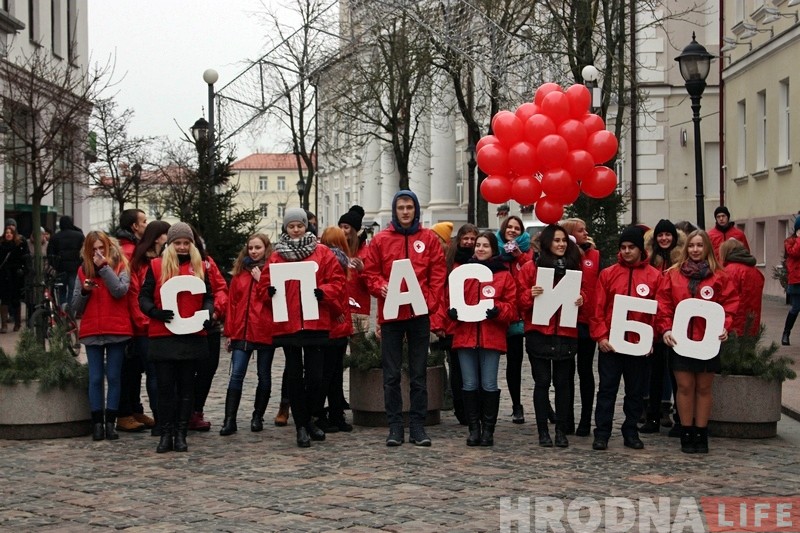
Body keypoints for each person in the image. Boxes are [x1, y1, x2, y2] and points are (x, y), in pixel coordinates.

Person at [363, 190, 447, 447]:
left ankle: (418, 426)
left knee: (418, 374)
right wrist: (380, 286)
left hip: (419, 315)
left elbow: (437, 274)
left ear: (416, 209)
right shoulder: (381, 240)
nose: (405, 212)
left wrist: (429, 303)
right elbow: (370, 273)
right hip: (392, 315)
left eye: (409, 207)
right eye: (401, 207)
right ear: (395, 210)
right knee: (391, 375)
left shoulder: (428, 239)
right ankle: (395, 427)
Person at [258, 208, 346, 448]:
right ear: (285, 228)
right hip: (288, 325)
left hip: (315, 322)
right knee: (295, 376)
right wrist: (269, 293)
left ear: (306, 226)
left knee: (316, 377)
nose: (296, 230)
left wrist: (324, 292)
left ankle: (310, 418)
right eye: (291, 226)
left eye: (299, 225)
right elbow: (263, 287)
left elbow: (337, 281)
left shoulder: (322, 252)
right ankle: (301, 426)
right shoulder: (277, 256)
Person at [656, 229, 738, 454]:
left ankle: (701, 433)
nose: (695, 249)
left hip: (707, 342)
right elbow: (664, 304)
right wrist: (666, 329)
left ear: (707, 248)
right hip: (680, 341)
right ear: (686, 248)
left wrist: (725, 326)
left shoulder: (719, 276)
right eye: (691, 245)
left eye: (700, 245)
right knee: (684, 387)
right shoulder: (673, 275)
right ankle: (686, 432)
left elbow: (730, 304)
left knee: (703, 387)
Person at [139, 222, 214, 453]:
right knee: (165, 388)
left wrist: (208, 313)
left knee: (186, 388)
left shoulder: (200, 266)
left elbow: (208, 296)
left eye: (186, 243)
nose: (182, 247)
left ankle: (181, 434)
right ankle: (166, 433)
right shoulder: (156, 266)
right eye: (178, 243)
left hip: (190, 335)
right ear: (170, 244)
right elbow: (144, 297)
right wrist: (154, 312)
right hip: (163, 336)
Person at [590, 226, 661, 451]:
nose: (627, 251)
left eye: (631, 247)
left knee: (635, 392)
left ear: (640, 249)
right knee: (607, 390)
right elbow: (597, 308)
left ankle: (631, 431)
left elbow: (658, 312)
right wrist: (601, 337)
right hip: (611, 344)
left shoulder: (654, 276)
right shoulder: (608, 274)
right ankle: (602, 433)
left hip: (638, 346)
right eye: (623, 247)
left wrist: (651, 339)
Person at [518, 224, 585, 448]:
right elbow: (519, 301)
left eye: (564, 240)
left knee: (563, 384)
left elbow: (585, 292)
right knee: (542, 382)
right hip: (539, 333)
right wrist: (530, 295)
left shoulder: (574, 267)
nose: (561, 244)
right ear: (548, 243)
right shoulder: (531, 268)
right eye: (557, 240)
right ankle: (543, 431)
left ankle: (561, 431)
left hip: (565, 333)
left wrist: (581, 298)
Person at [448, 231, 516, 446]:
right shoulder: (462, 273)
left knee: (488, 383)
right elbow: (450, 300)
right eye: (478, 245)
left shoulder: (503, 275)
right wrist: (452, 314)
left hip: (491, 336)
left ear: (493, 249)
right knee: (469, 384)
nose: (480, 249)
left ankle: (488, 430)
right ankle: (473, 429)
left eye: (485, 245)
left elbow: (512, 308)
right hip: (465, 336)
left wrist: (499, 310)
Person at [71, 231, 132, 441]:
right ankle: (97, 423)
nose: (98, 253)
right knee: (95, 378)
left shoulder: (120, 265)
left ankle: (110, 423)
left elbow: (120, 291)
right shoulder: (83, 270)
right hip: (92, 330)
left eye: (101, 248)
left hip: (116, 328)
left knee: (114, 376)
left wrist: (105, 268)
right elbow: (75, 306)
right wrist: (85, 291)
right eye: (94, 249)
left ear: (108, 247)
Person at [220, 233, 275, 436]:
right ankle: (229, 420)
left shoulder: (272, 271)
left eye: (257, 247)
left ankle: (257, 416)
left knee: (264, 375)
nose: (253, 251)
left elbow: (274, 301)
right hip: (242, 332)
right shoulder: (240, 274)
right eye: (250, 248)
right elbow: (232, 305)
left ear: (266, 249)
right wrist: (230, 333)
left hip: (264, 330)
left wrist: (261, 281)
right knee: (236, 374)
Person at [559, 218, 601, 436]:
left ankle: (585, 420)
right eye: (580, 230)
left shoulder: (595, 256)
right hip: (566, 321)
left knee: (585, 372)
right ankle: (566, 419)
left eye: (586, 229)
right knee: (566, 373)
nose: (586, 233)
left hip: (586, 321)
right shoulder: (562, 256)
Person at [640, 219, 682, 434]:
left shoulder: (681, 262)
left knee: (677, 373)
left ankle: (680, 417)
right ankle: (653, 416)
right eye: (660, 235)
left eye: (668, 234)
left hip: (677, 322)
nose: (664, 238)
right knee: (654, 372)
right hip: (654, 323)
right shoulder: (649, 261)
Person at [129, 221, 171, 435]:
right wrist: (147, 321)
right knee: (154, 374)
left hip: (164, 325)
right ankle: (159, 418)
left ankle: (167, 418)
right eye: (166, 234)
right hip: (145, 329)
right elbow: (136, 295)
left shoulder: (166, 259)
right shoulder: (140, 262)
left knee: (164, 375)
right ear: (157, 237)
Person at [187, 226, 229, 431]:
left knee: (207, 370)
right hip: (184, 328)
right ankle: (184, 411)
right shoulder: (167, 265)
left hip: (208, 326)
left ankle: (197, 410)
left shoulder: (207, 263)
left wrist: (215, 312)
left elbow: (220, 289)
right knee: (186, 373)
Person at [115, 208, 151, 433]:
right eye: (144, 221)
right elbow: (133, 291)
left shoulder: (133, 249)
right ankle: (124, 413)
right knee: (128, 369)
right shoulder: (129, 252)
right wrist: (141, 320)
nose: (147, 224)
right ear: (134, 227)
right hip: (131, 321)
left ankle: (135, 409)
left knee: (134, 368)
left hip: (135, 319)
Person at [495, 215, 533, 425]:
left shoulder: (527, 251)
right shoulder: (496, 250)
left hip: (526, 312)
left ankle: (545, 405)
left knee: (537, 363)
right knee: (513, 363)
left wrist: (520, 256)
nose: (512, 230)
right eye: (509, 227)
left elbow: (533, 272)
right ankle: (517, 405)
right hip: (507, 314)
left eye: (516, 228)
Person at [316, 226, 355, 433]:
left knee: (330, 373)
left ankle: (333, 414)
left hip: (335, 323)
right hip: (335, 322)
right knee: (330, 373)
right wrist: (338, 310)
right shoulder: (337, 261)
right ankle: (328, 415)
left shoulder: (328, 259)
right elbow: (333, 292)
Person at [443, 223, 479, 425]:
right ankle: (460, 407)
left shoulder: (482, 261)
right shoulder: (451, 262)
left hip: (476, 323)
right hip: (454, 324)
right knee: (457, 368)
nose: (469, 242)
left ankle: (475, 407)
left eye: (472, 239)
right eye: (466, 238)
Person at [719, 239, 764, 337]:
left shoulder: (729, 271)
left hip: (734, 322)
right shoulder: (756, 271)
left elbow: (728, 298)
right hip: (752, 320)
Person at [47, 215, 85, 311]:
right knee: (73, 290)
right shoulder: (79, 236)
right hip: (75, 268)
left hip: (61, 268)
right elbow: (84, 252)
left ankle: (62, 310)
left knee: (61, 290)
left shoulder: (55, 237)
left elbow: (50, 254)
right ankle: (70, 311)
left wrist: (55, 265)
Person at [0, 225, 30, 333]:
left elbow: (25, 259)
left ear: (14, 234)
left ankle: (17, 323)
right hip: (3, 275)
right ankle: (4, 325)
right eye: (7, 233)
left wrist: (23, 270)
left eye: (10, 233)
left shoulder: (19, 245)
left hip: (16, 276)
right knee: (4, 300)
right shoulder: (1, 245)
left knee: (15, 300)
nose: (8, 235)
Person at [783, 218, 800, 346]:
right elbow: (794, 253)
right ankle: (786, 333)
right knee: (796, 308)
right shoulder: (790, 241)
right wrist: (799, 239)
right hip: (796, 281)